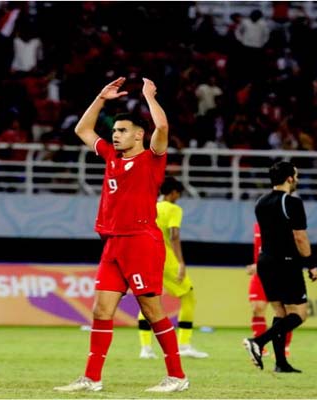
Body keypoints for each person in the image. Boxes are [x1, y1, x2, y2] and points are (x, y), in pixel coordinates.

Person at [54, 77, 188, 393]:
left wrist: (149, 97)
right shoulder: (112, 158)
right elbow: (83, 131)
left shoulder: (152, 159)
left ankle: (178, 377)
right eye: (114, 131)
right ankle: (91, 378)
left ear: (139, 135)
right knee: (101, 310)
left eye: (122, 130)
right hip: (112, 242)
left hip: (141, 241)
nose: (115, 135)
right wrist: (100, 98)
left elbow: (163, 129)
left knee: (152, 310)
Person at [242, 161, 317, 373]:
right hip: (286, 262)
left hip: (265, 262)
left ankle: (280, 363)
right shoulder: (292, 202)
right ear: (290, 178)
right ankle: (258, 342)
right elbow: (300, 237)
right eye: (297, 175)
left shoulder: (261, 202)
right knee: (299, 314)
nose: (298, 179)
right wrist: (311, 264)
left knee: (280, 312)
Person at [138, 177, 208, 360]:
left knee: (148, 300)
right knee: (189, 297)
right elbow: (174, 235)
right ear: (174, 193)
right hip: (166, 259)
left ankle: (146, 348)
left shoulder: (149, 206)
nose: (178, 197)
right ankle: (184, 345)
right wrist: (181, 263)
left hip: (145, 258)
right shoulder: (174, 209)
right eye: (179, 194)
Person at [246, 222, 292, 357]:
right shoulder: (257, 225)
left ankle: (284, 347)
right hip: (260, 275)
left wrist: (261, 265)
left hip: (279, 273)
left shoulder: (284, 226)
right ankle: (259, 347)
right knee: (257, 308)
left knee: (283, 312)